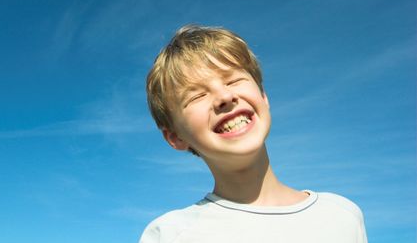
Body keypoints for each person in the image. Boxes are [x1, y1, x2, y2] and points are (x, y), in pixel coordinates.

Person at [140, 25, 367, 243]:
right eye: (196, 96)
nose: (225, 97)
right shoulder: (169, 235)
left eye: (233, 80)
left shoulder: (343, 214)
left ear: (263, 97)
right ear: (176, 137)